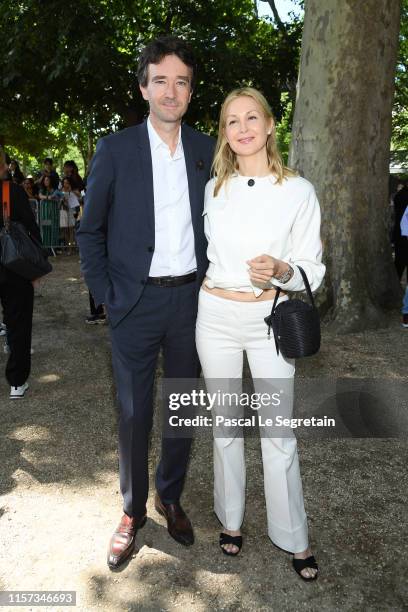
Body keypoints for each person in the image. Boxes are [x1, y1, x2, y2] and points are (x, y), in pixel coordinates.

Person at [77, 36, 214, 569]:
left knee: (182, 406)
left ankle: (170, 495)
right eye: (161, 80)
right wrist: (109, 296)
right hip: (132, 304)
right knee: (133, 413)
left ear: (190, 91)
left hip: (190, 303)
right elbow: (90, 232)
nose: (171, 91)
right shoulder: (114, 149)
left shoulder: (208, 151)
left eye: (181, 81)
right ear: (144, 88)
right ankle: (133, 511)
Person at [195, 87, 325, 580]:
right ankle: (230, 521)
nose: (243, 128)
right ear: (225, 135)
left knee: (278, 432)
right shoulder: (213, 189)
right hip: (215, 317)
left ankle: (294, 537)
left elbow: (314, 267)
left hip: (271, 318)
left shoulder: (298, 190)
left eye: (252, 118)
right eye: (232, 121)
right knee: (225, 428)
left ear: (271, 125)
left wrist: (282, 269)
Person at [0, 146, 42, 398]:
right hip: (12, 265)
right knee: (18, 322)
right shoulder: (11, 191)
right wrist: (35, 268)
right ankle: (16, 381)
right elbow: (30, 227)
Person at [393, 181, 408, 282]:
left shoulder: (400, 195)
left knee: (400, 262)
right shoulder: (401, 195)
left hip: (401, 236)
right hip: (402, 236)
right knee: (400, 263)